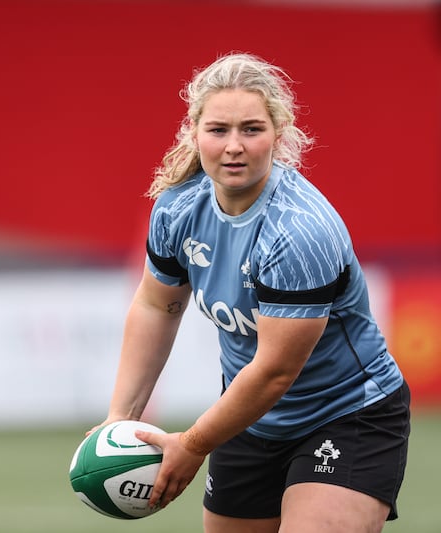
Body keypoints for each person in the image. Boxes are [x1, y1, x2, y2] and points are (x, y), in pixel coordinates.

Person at [90, 52, 410, 533]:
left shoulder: (299, 231)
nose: (234, 146)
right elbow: (157, 305)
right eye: (218, 130)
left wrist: (194, 444)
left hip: (346, 414)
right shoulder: (178, 208)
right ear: (194, 132)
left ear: (278, 135)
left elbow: (275, 371)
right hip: (248, 421)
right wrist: (119, 422)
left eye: (251, 130)